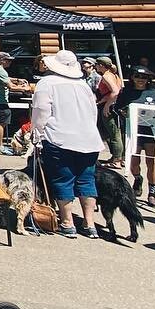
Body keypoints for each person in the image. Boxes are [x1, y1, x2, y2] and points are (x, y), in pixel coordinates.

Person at [32, 49, 103, 239]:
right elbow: (93, 112)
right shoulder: (83, 85)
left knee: (63, 178)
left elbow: (41, 111)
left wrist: (36, 135)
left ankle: (67, 222)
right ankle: (89, 224)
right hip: (88, 138)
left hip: (59, 137)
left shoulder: (47, 83)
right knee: (86, 179)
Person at [116, 67, 155, 207]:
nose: (140, 80)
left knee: (152, 162)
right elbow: (118, 108)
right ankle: (138, 178)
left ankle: (152, 194)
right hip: (133, 131)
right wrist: (123, 113)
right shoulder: (126, 92)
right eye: (137, 76)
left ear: (148, 79)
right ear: (132, 77)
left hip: (151, 131)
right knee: (134, 161)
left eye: (143, 77)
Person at [93, 56, 124, 168]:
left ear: (101, 65)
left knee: (114, 133)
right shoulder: (114, 75)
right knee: (112, 133)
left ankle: (117, 160)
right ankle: (118, 156)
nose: (95, 66)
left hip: (110, 108)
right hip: (112, 105)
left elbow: (115, 91)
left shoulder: (106, 76)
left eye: (97, 64)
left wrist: (106, 105)